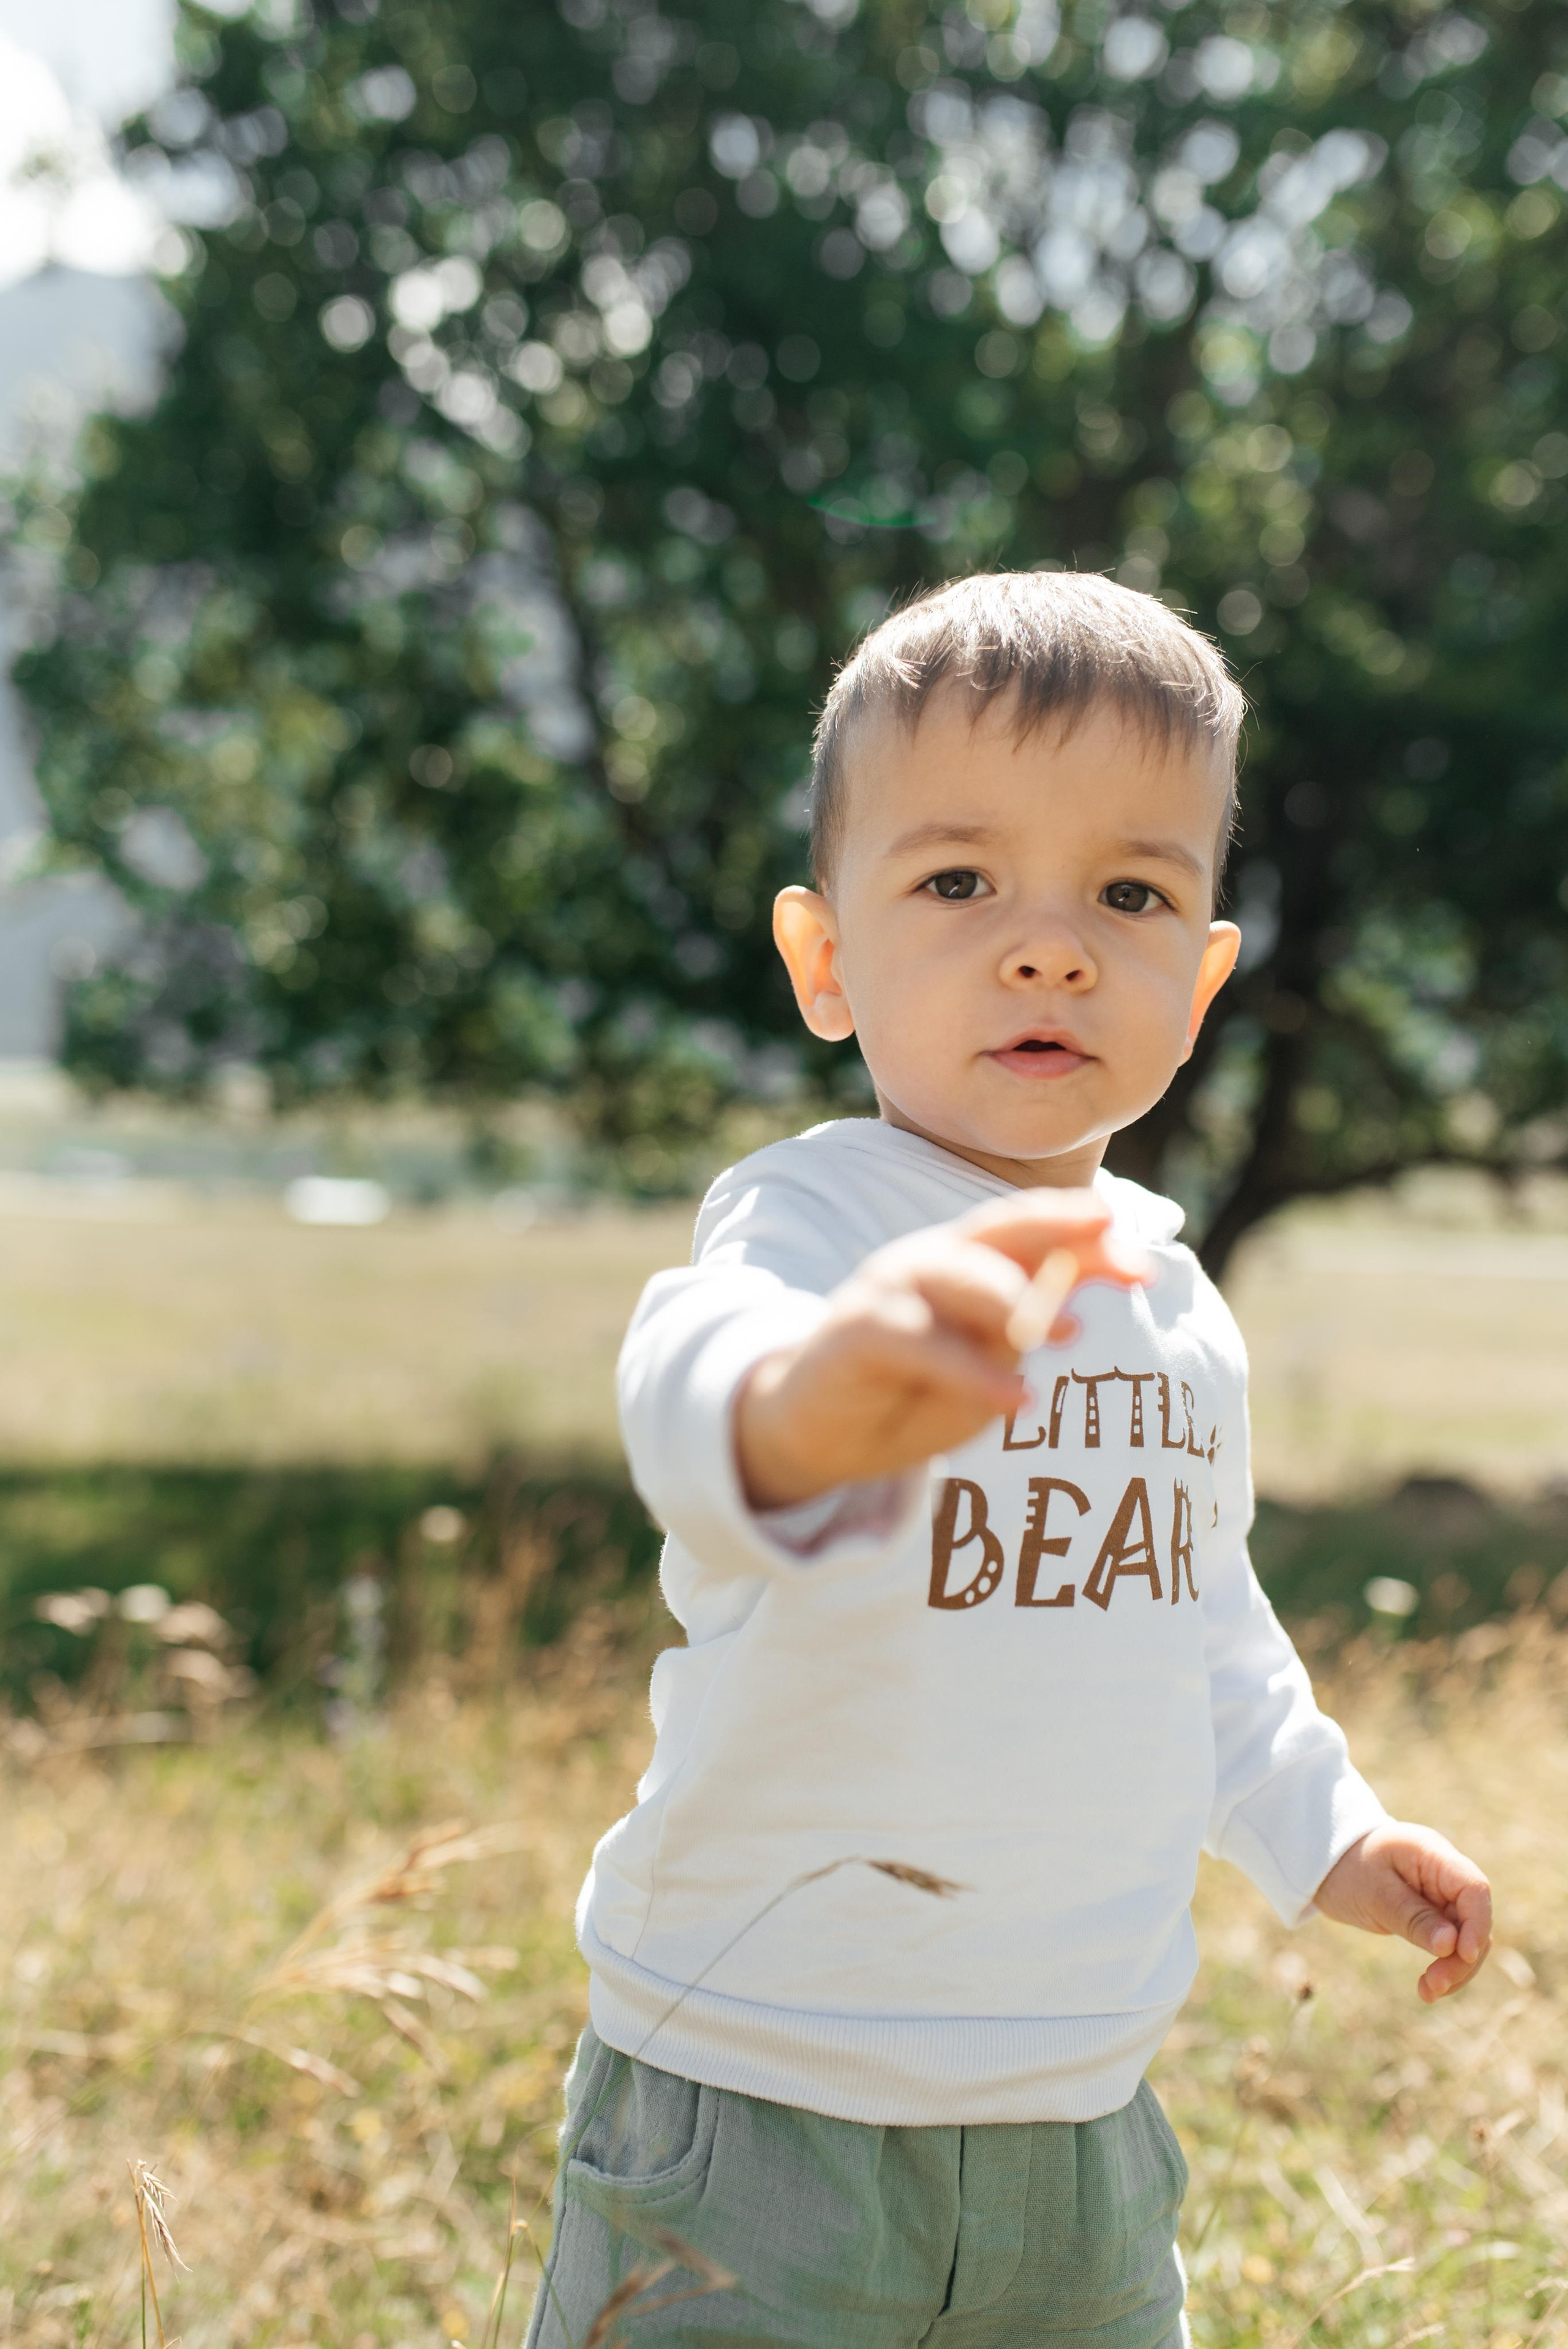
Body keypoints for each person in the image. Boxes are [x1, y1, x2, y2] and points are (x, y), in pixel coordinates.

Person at [526, 571, 1492, 2349]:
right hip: (758, 2094)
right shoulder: (818, 1215)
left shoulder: (1176, 1301)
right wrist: (804, 1406)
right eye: (959, 880)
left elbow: (1201, 1625)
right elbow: (685, 1375)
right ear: (826, 958)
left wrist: (1325, 1829)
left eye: (1129, 892)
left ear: (1201, 981)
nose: (1049, 945)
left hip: (1076, 2109)